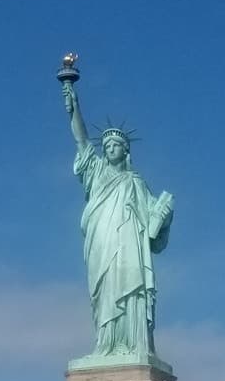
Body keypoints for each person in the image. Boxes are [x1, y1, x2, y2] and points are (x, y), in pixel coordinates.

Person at [62, 81, 173, 360]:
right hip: (102, 240)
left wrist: (163, 214)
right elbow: (82, 141)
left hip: (129, 247)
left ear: (126, 151)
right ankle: (106, 345)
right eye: (107, 145)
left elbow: (153, 228)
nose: (110, 149)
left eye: (116, 146)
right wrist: (74, 109)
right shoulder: (96, 172)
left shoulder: (136, 182)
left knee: (130, 286)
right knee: (104, 290)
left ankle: (135, 345)